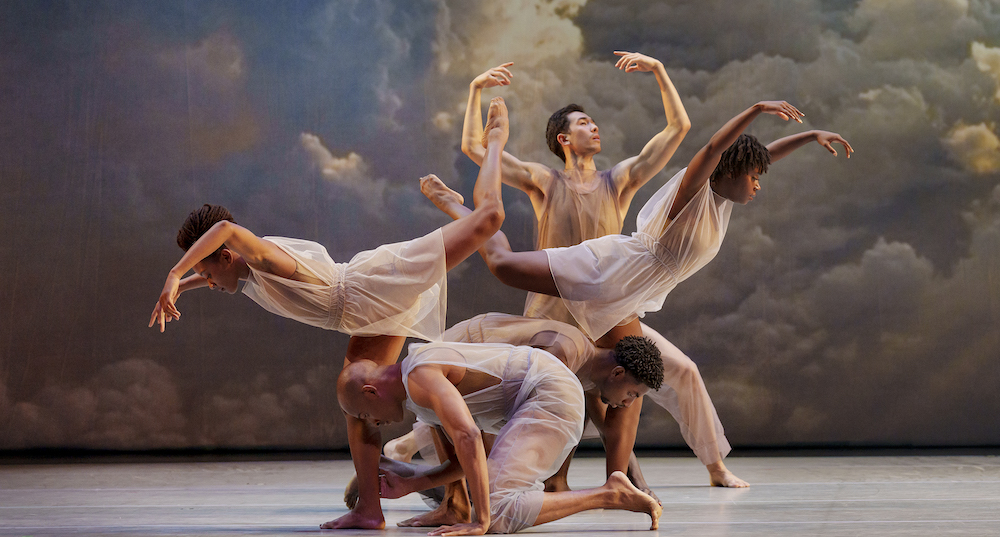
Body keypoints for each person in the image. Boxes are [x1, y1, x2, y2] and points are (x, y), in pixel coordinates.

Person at [440, 99, 853, 488]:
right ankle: (464, 211)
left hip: (625, 297)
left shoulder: (723, 199)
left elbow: (760, 154)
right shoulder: (692, 192)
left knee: (636, 379)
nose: (758, 184)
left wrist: (809, 135)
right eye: (754, 176)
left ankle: (619, 480)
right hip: (609, 270)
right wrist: (757, 109)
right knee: (503, 267)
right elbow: (714, 147)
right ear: (729, 170)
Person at [149, 98, 514, 530]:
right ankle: (372, 509)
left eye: (208, 273)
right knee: (357, 403)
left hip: (374, 284)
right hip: (362, 315)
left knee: (490, 218)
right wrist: (187, 287)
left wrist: (175, 274)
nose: (210, 282)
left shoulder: (266, 260)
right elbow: (222, 260)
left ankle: (494, 142)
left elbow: (227, 230)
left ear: (226, 257)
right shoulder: (245, 273)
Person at [463, 53, 744, 489]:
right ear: (564, 138)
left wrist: (661, 72)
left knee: (680, 370)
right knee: (562, 388)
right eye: (584, 123)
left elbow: (677, 131)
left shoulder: (619, 180)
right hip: (555, 309)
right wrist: (476, 91)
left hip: (610, 309)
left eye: (594, 122)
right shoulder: (544, 180)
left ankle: (712, 465)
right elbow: (477, 150)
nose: (594, 127)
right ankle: (571, 477)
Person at [337, 338, 664, 534]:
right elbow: (465, 461)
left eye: (366, 414)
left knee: (494, 512)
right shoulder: (417, 392)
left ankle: (609, 494)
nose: (373, 423)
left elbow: (468, 436)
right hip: (542, 392)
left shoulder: (419, 375)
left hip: (550, 391)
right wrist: (412, 483)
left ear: (371, 391)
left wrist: (480, 519)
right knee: (491, 504)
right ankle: (609, 492)